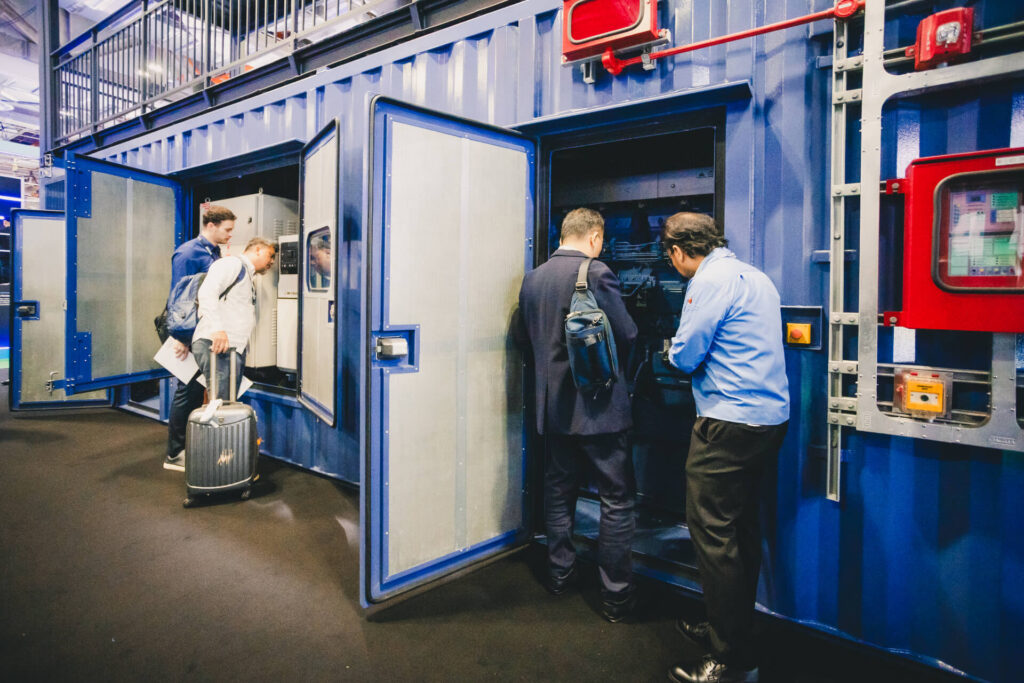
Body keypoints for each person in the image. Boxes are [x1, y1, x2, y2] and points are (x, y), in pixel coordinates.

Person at [661, 212, 789, 683]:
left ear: (678, 252)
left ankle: (732, 659)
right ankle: (730, 626)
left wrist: (668, 352)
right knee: (740, 531)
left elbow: (686, 355)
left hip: (726, 425)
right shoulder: (756, 278)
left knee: (713, 537)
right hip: (767, 423)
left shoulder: (708, 282)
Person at [516, 207, 639, 622]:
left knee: (558, 491)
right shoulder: (597, 273)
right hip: (599, 410)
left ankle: (559, 574)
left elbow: (522, 337)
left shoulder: (533, 279)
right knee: (615, 499)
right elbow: (627, 333)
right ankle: (615, 596)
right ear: (595, 237)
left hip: (553, 411)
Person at [163, 205, 236, 471]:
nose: (230, 235)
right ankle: (175, 453)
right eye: (227, 229)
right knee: (187, 392)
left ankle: (187, 448)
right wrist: (181, 337)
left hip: (204, 332)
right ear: (211, 226)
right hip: (189, 333)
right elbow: (180, 297)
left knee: (195, 392)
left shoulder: (213, 252)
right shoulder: (187, 253)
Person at [192, 237, 277, 400]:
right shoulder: (232, 264)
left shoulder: (246, 274)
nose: (272, 261)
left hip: (229, 348)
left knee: (225, 402)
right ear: (258, 249)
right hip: (217, 345)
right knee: (221, 403)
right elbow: (207, 293)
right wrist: (218, 330)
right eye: (270, 255)